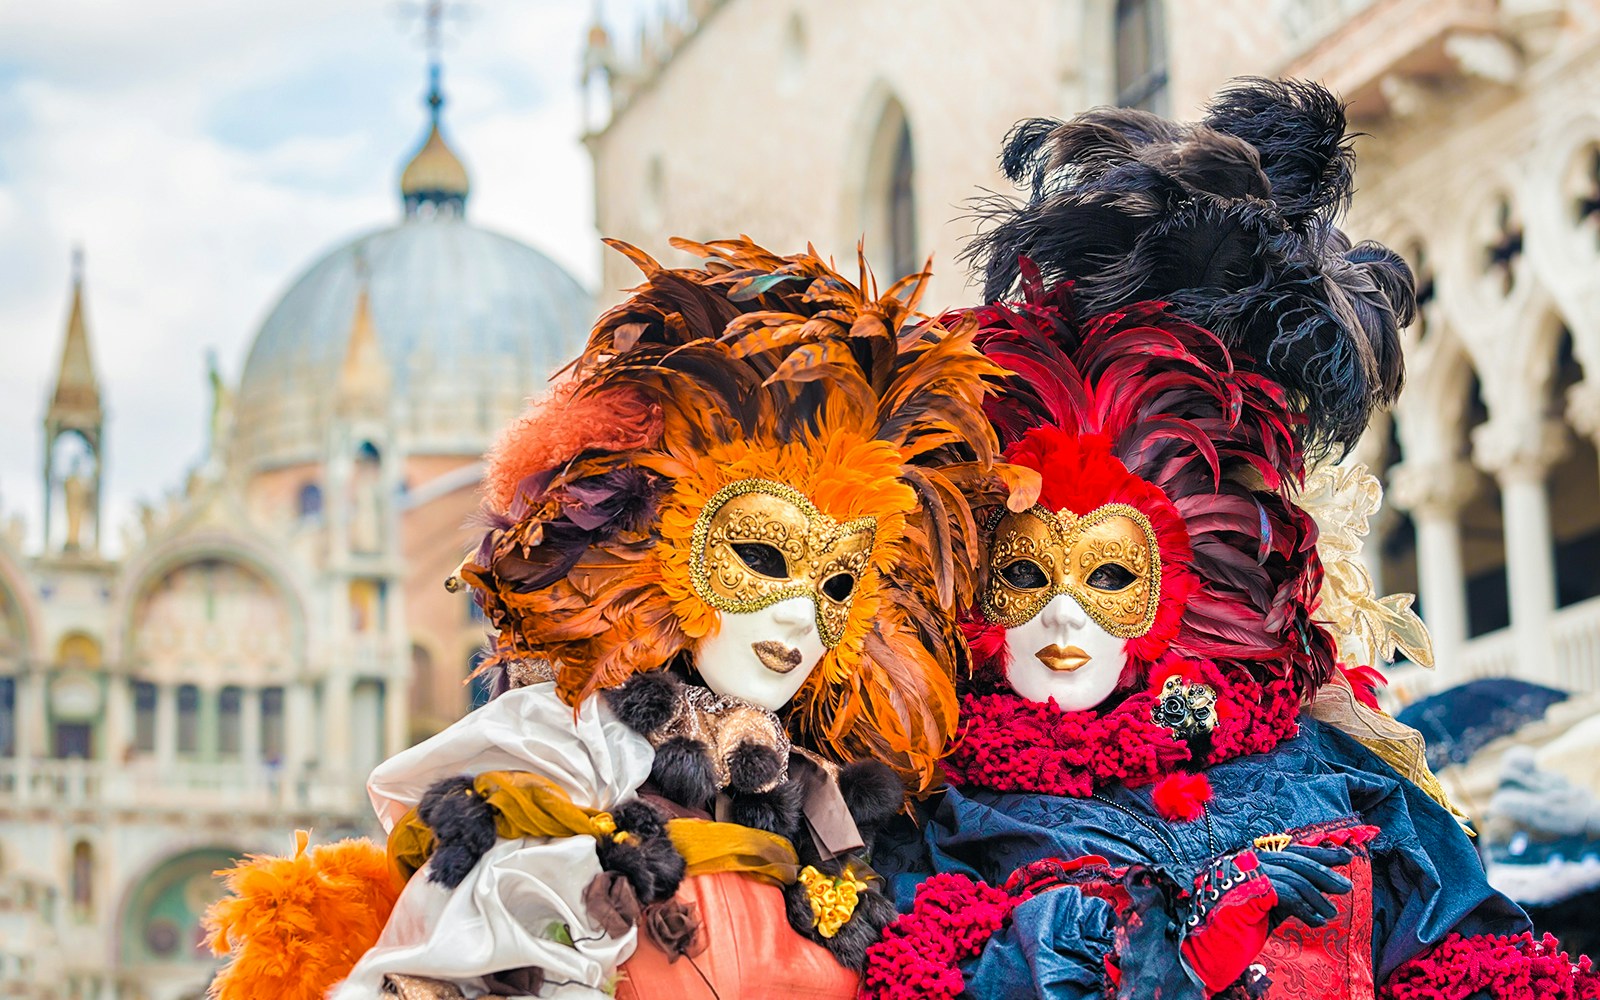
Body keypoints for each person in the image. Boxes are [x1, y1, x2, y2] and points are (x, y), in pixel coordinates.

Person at [863, 79, 1600, 1000]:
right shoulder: (942, 814)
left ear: (1174, 591)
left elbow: (1457, 952)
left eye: (1107, 575)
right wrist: (1178, 954)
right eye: (1023, 572)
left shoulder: (1316, 767)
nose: (1061, 613)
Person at [205, 236, 1004, 999]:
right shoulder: (562, 769)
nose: (798, 619)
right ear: (662, 549)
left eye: (836, 585)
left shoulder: (822, 803)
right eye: (762, 557)